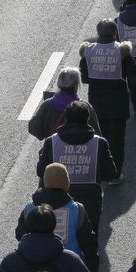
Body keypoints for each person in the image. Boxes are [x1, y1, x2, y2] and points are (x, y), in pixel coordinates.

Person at [37, 100, 117, 233]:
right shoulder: (99, 143)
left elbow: (41, 171)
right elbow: (110, 174)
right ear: (87, 119)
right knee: (89, 239)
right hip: (90, 202)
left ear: (66, 118)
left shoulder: (52, 141)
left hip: (57, 202)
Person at [79, 19, 136, 178]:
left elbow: (84, 78)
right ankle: (116, 174)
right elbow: (134, 77)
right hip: (118, 104)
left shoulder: (89, 51)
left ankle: (101, 171)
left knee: (99, 138)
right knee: (117, 141)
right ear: (115, 33)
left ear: (99, 33)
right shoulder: (121, 51)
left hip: (96, 104)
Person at [16, 163, 97, 272]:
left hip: (36, 267)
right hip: (69, 266)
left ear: (45, 181)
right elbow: (87, 243)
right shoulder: (77, 209)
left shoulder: (30, 207)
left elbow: (20, 235)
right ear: (67, 183)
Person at [28, 67, 100, 141]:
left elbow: (35, 130)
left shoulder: (47, 105)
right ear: (76, 85)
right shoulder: (86, 107)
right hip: (81, 151)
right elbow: (97, 136)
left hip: (54, 149)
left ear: (59, 83)